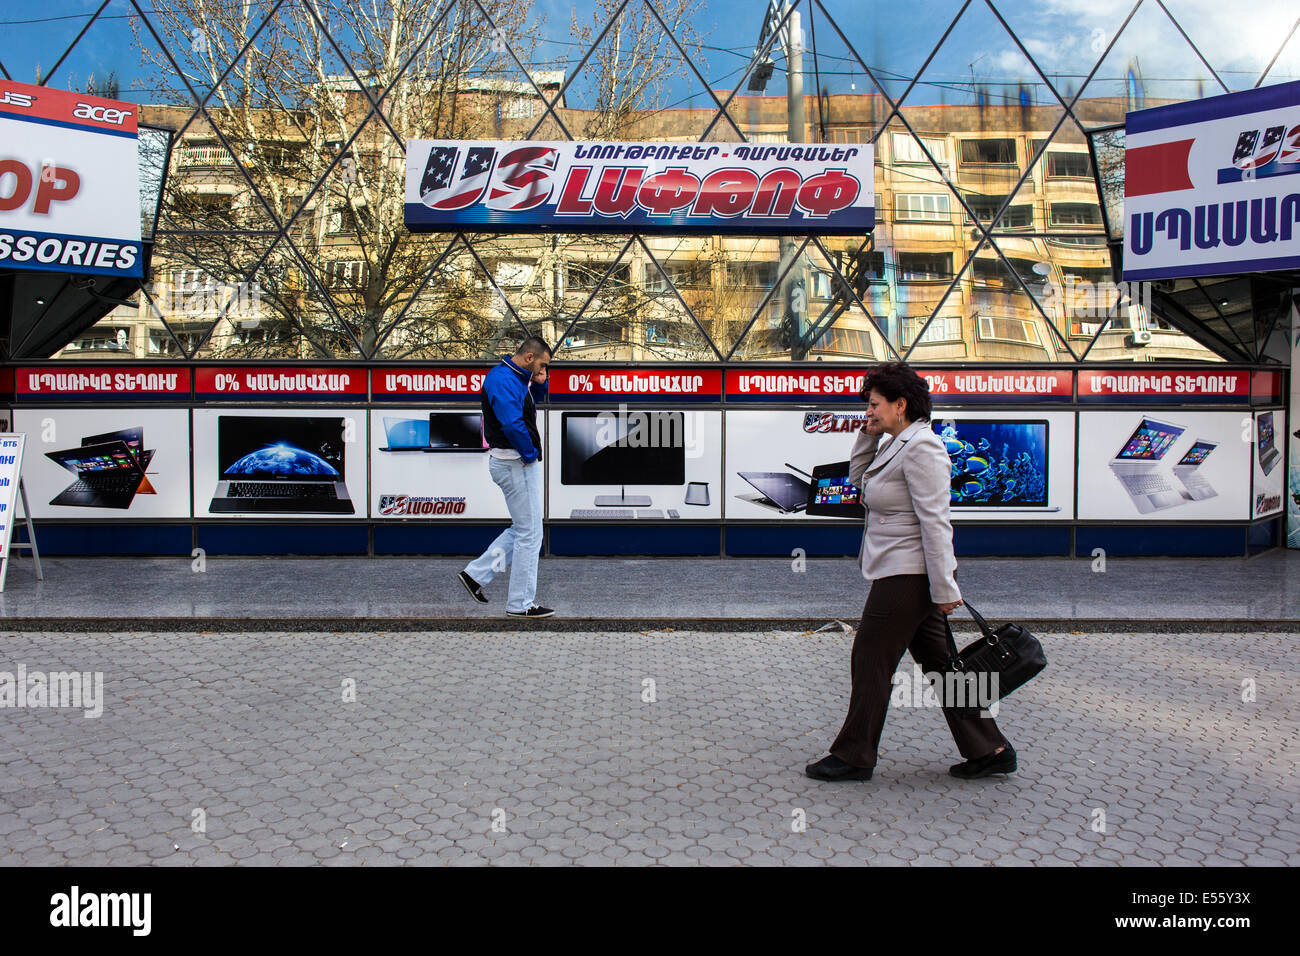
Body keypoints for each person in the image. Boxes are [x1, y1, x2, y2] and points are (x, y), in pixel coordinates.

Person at [805, 362, 1015, 781]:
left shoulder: (923, 447)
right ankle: (990, 749)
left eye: (875, 405)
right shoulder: (896, 443)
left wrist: (944, 587)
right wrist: (867, 435)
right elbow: (859, 481)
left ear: (900, 405)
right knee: (944, 666)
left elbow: (935, 520)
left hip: (909, 576)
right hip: (903, 572)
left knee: (870, 658)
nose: (869, 411)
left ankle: (855, 755)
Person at [458, 336, 554, 618]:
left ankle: (475, 575)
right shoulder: (502, 380)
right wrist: (529, 455)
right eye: (542, 364)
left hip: (515, 463)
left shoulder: (515, 377)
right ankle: (520, 604)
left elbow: (534, 403)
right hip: (515, 464)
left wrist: (541, 380)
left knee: (524, 529)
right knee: (530, 534)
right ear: (528, 357)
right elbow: (512, 424)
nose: (543, 369)